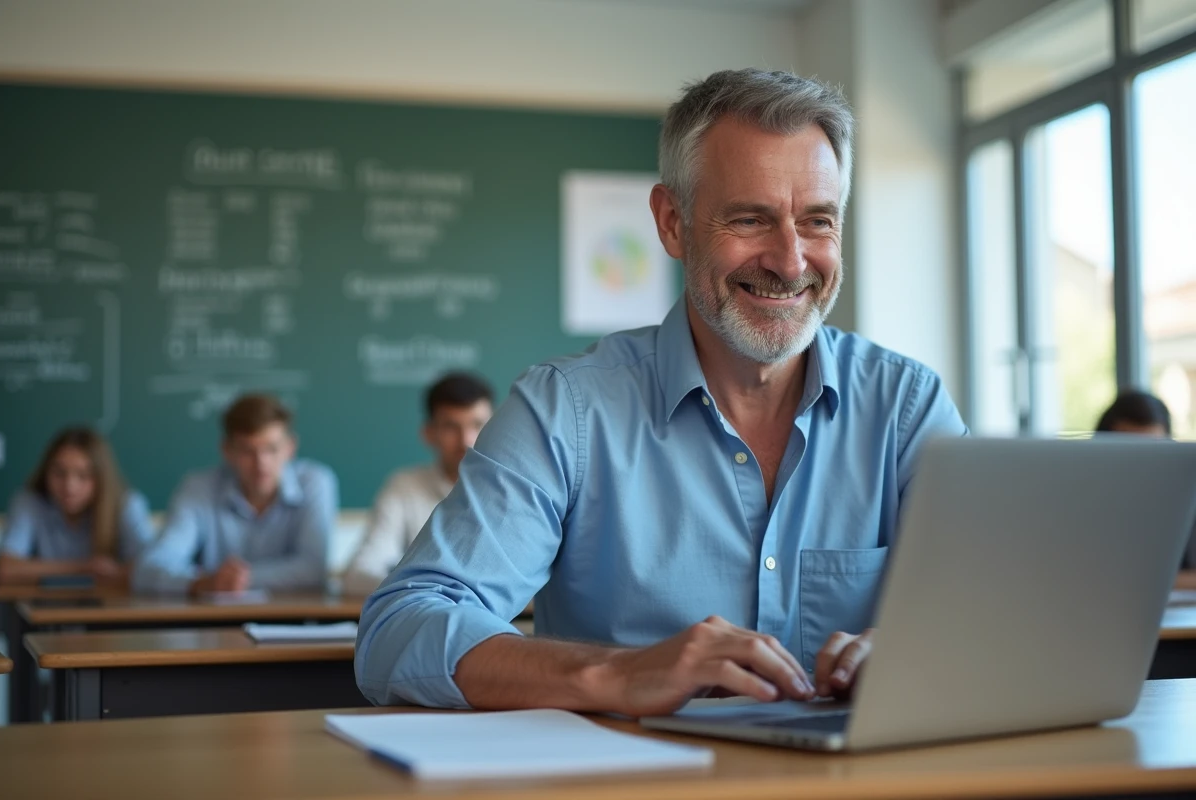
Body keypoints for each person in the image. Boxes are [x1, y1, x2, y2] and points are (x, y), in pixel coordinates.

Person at [355, 68, 967, 714]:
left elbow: (997, 606)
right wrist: (618, 674)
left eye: (817, 221)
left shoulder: (907, 408)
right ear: (673, 223)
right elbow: (399, 630)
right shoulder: (565, 412)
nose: (790, 261)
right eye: (750, 219)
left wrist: (915, 651)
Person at [132, 394, 337, 594]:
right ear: (227, 450)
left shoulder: (315, 482)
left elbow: (313, 569)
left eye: (272, 449)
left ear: (290, 448)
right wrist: (205, 582)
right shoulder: (198, 489)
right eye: (248, 451)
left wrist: (240, 579)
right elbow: (150, 568)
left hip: (294, 614)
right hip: (216, 615)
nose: (261, 463)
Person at [341, 372, 494, 596]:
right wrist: (429, 591)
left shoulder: (515, 490)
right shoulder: (403, 487)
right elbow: (358, 574)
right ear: (429, 433)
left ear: (497, 430)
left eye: (478, 424)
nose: (466, 440)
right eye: (451, 427)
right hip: (429, 610)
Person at [0, 427, 153, 589]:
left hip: (112, 603)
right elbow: (6, 570)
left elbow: (150, 567)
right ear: (46, 472)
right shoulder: (29, 501)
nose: (69, 487)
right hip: (44, 602)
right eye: (59, 473)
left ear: (102, 478)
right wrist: (85, 568)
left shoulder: (126, 503)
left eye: (83, 475)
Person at [1095, 389, 1196, 589]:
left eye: (1154, 452)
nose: (1143, 466)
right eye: (1130, 453)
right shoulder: (1089, 507)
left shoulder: (1186, 500)